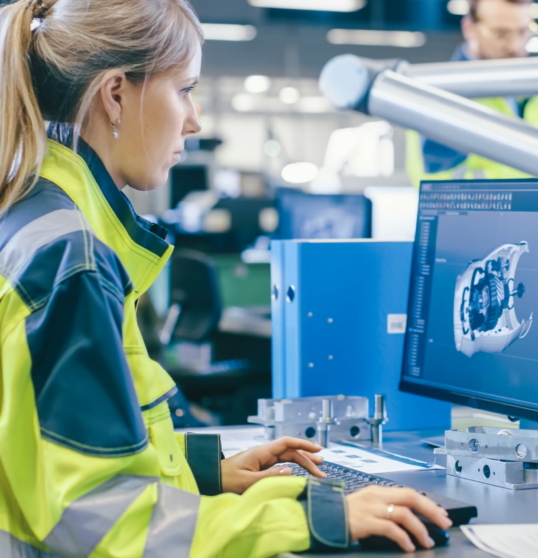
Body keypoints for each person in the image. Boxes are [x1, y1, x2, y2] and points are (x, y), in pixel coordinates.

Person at [0, 0, 452, 556]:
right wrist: (316, 517)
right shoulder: (73, 260)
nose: (193, 120)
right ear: (116, 94)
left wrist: (206, 472)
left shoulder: (35, 220)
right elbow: (104, 522)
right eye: (185, 90)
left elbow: (47, 454)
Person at [407, 0, 538, 185]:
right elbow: (435, 189)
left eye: (523, 32)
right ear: (469, 28)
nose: (515, 46)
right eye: (500, 34)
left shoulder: (532, 93)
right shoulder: (441, 98)